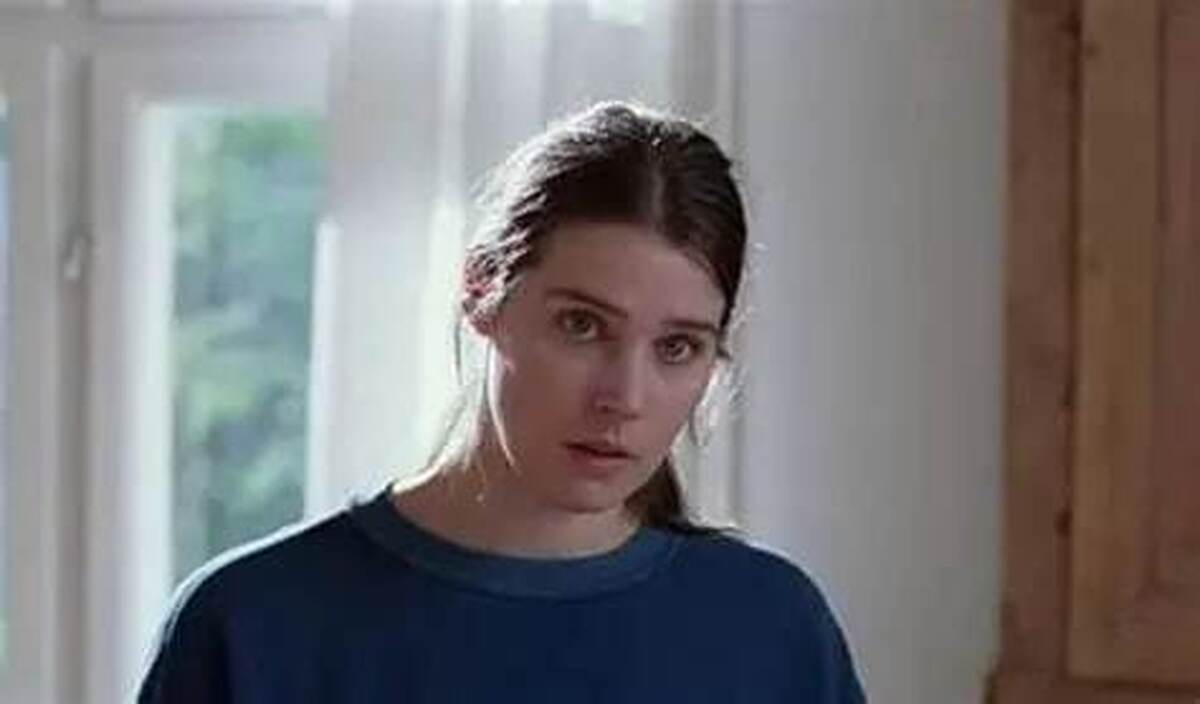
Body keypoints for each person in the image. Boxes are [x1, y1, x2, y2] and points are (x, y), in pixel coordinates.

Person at [137, 102, 866, 703]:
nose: (623, 397)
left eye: (677, 347)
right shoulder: (250, 625)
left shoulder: (772, 631)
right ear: (482, 291)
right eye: (581, 325)